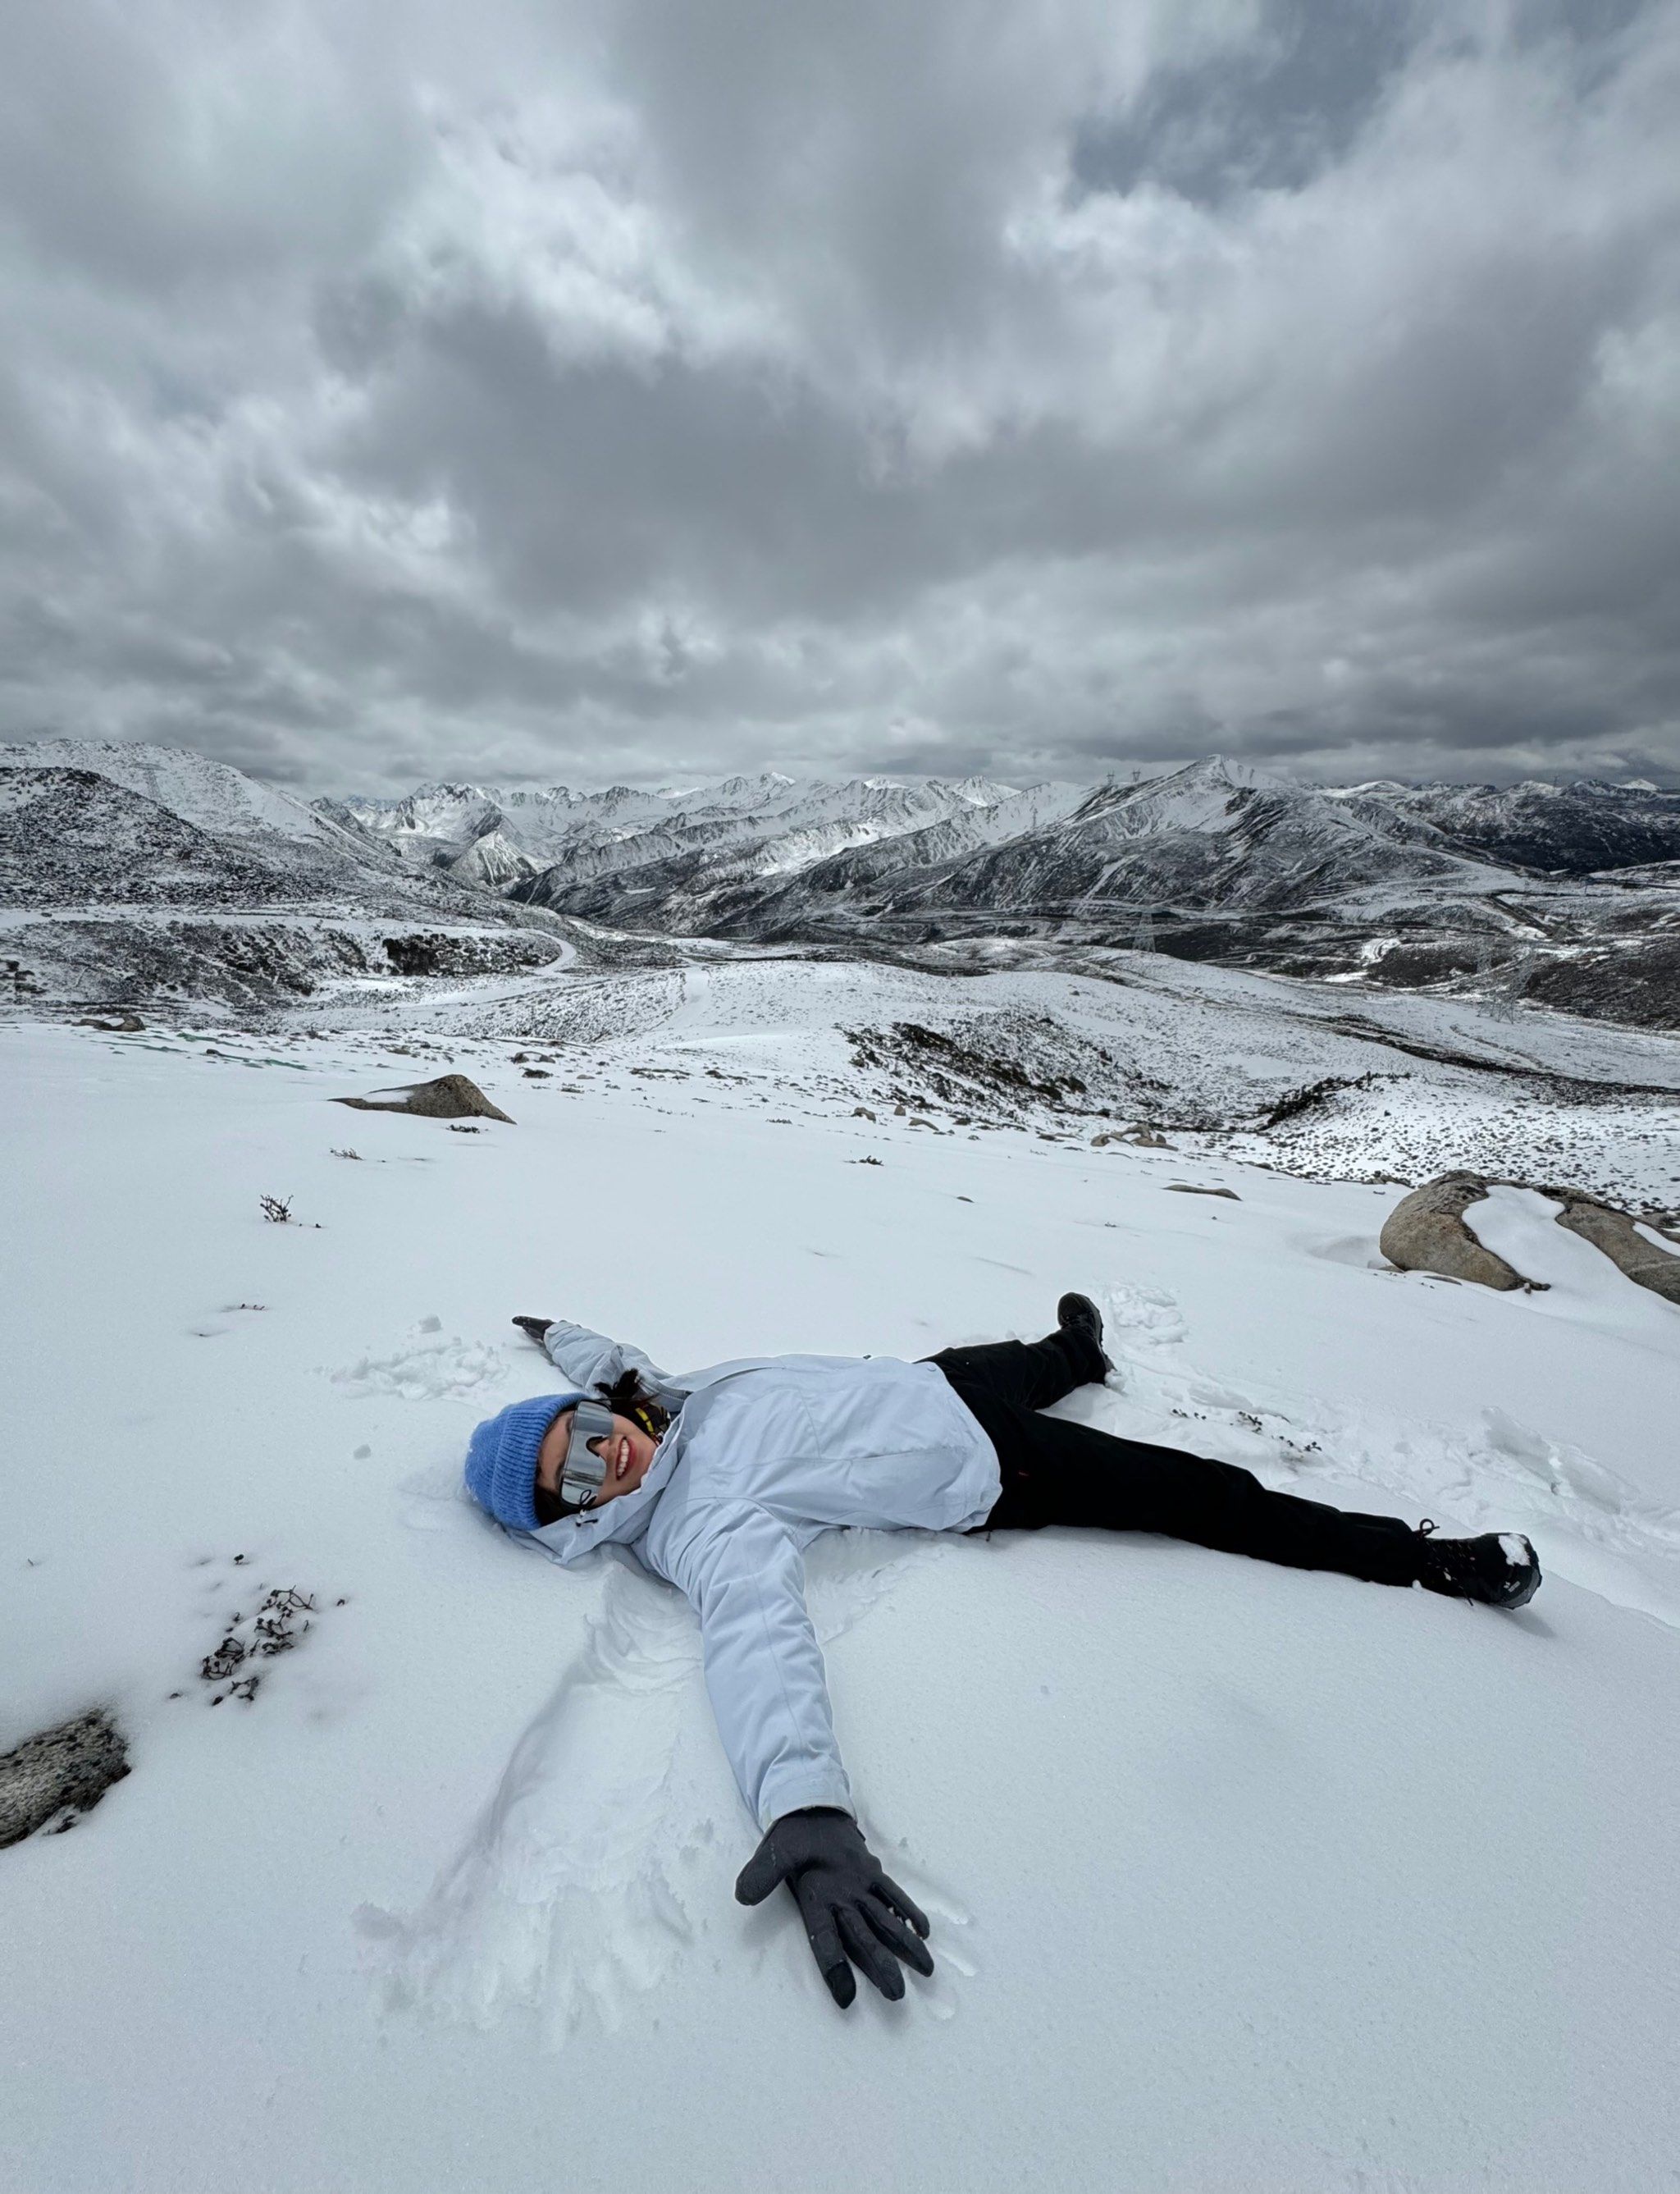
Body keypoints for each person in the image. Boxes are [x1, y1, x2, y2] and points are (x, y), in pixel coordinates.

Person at [462, 1298, 1541, 2010]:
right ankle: (1427, 1560)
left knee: (1033, 1359)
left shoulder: (653, 1403)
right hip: (991, 1464)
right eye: (575, 1479)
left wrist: (559, 1333)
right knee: (1204, 1492)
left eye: (588, 1430)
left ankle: (1082, 1347)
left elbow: (615, 1365)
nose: (608, 1457)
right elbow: (755, 1635)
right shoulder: (696, 1522)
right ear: (569, 1521)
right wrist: (804, 1807)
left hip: (930, 1385)